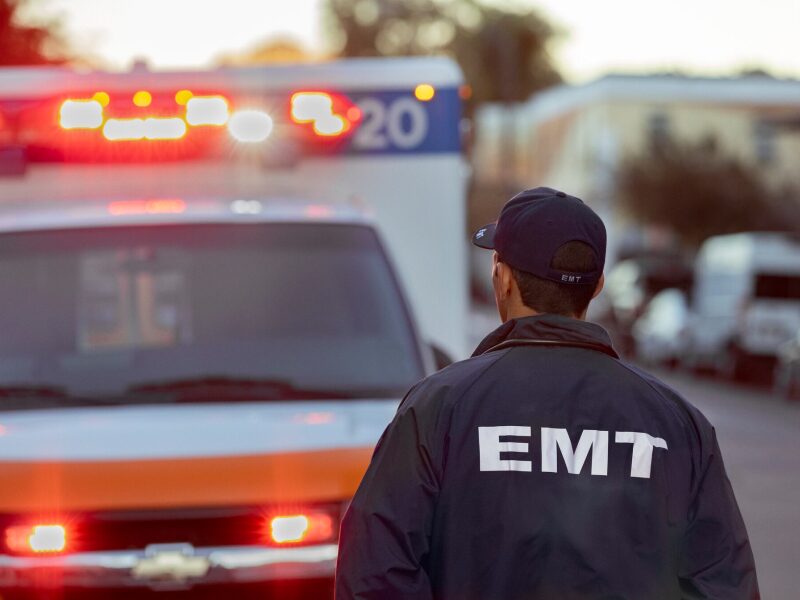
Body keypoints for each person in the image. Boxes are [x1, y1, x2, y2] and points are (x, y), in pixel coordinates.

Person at [335, 187, 759, 600]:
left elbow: (375, 573)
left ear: (502, 278)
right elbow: (723, 582)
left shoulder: (439, 407)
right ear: (597, 286)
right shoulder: (676, 422)